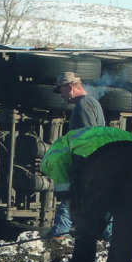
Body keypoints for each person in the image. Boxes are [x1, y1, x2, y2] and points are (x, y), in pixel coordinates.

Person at [40, 126, 132, 262]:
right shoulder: (88, 136)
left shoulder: (54, 153)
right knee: (126, 228)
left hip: (103, 160)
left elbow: (62, 177)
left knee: (87, 225)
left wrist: (70, 201)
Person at [49, 71, 107, 239]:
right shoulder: (90, 103)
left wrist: (84, 166)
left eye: (61, 90)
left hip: (88, 164)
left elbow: (89, 140)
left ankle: (58, 236)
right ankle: (107, 235)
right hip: (95, 164)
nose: (61, 95)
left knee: (73, 196)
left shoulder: (84, 105)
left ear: (70, 87)